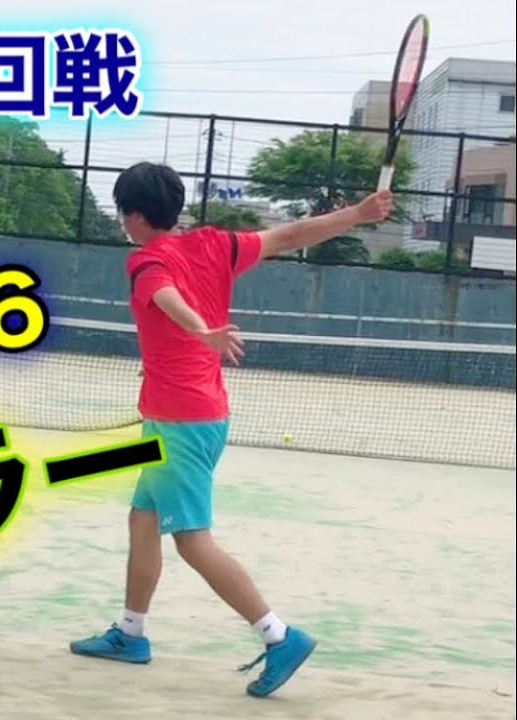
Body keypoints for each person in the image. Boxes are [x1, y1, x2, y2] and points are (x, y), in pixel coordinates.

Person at [70, 162, 393, 698]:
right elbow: (290, 235)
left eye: (123, 213)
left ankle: (278, 636)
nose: (123, 222)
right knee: (142, 519)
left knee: (192, 540)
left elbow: (167, 297)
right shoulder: (216, 245)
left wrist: (202, 332)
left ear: (135, 215)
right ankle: (131, 632)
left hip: (180, 424)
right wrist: (356, 215)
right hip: (197, 415)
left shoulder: (146, 260)